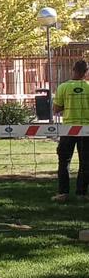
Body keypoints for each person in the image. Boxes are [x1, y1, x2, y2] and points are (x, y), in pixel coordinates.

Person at [53, 58, 89, 200]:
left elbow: (56, 109)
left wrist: (67, 104)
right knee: (86, 162)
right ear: (86, 72)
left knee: (64, 161)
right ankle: (81, 193)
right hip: (86, 129)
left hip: (68, 128)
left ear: (73, 69)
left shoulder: (63, 87)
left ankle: (63, 193)